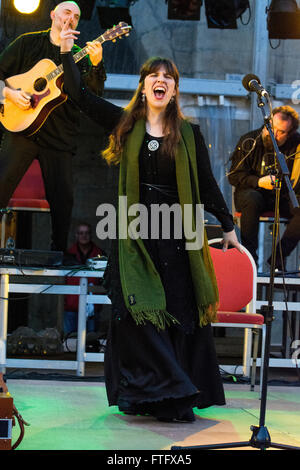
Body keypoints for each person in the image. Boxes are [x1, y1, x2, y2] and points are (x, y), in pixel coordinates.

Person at [59, 23, 242, 423]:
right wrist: (66, 51)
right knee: (137, 314)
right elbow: (77, 94)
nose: (160, 81)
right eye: (153, 76)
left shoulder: (190, 135)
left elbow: (208, 185)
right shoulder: (124, 124)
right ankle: (165, 393)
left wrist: (228, 227)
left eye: (168, 77)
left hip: (177, 235)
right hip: (135, 236)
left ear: (174, 90)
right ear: (143, 86)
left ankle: (172, 397)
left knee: (176, 315)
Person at [0, 1, 106, 253]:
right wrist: (9, 93)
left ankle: (58, 252)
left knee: (63, 200)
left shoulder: (80, 56)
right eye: (67, 12)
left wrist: (97, 63)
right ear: (52, 15)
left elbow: (92, 95)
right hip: (21, 129)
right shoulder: (27, 42)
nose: (71, 18)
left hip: (60, 136)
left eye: (77, 16)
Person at [228, 106, 300, 270]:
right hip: (251, 193)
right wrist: (260, 182)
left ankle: (278, 257)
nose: (273, 134)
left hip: (282, 197)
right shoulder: (249, 140)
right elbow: (234, 176)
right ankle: (249, 259)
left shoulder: (296, 145)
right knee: (252, 199)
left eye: (281, 132)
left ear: (291, 134)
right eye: (270, 128)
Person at [64, 222, 106, 336]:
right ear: (76, 235)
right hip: (71, 307)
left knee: (92, 342)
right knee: (69, 341)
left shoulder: (100, 254)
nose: (84, 236)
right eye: (81, 233)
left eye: (87, 233)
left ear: (91, 235)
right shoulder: (68, 254)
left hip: (93, 307)